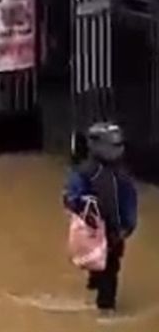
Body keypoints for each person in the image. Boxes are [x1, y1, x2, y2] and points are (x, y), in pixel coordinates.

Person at [64, 122, 139, 312]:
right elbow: (71, 196)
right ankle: (102, 305)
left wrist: (128, 225)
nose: (117, 148)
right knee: (100, 267)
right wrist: (81, 206)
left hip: (115, 229)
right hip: (93, 229)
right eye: (113, 144)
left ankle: (105, 306)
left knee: (111, 269)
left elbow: (129, 199)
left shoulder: (122, 174)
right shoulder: (86, 172)